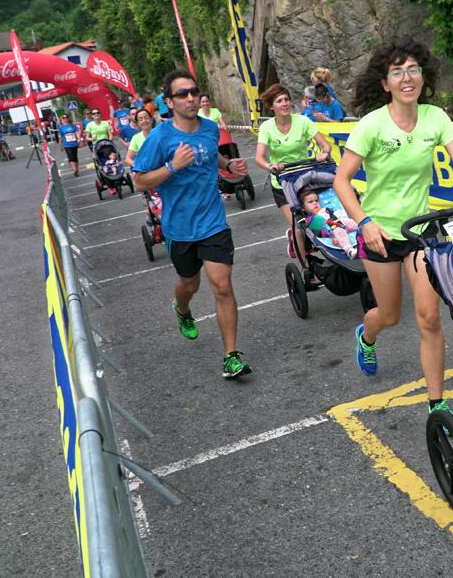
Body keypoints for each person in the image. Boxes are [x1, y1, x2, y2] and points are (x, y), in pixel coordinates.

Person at [333, 38, 453, 424]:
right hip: (381, 234)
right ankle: (366, 336)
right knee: (388, 316)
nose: (407, 78)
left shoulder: (435, 117)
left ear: (423, 75)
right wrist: (365, 223)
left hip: (420, 231)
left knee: (429, 317)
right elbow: (341, 180)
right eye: (398, 72)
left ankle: (436, 404)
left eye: (413, 69)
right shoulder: (372, 125)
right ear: (385, 83)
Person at [132, 69, 253, 380]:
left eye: (193, 92)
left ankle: (231, 356)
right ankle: (182, 309)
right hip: (179, 227)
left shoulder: (211, 129)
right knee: (189, 284)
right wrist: (173, 166)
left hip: (213, 222)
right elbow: (139, 181)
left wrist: (230, 165)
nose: (190, 98)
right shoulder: (160, 138)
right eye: (182, 94)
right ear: (169, 102)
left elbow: (210, 156)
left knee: (222, 285)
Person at [254, 83, 333, 288]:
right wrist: (271, 165)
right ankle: (307, 268)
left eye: (287, 99)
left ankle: (329, 250)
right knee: (300, 227)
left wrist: (324, 152)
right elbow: (259, 158)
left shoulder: (302, 121)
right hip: (282, 182)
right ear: (271, 106)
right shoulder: (267, 128)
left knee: (321, 217)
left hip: (304, 179)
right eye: (279, 101)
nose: (285, 103)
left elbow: (325, 144)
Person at [299, 187, 358, 258]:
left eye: (316, 201)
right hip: (331, 231)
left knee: (351, 222)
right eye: (310, 202)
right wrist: (333, 236)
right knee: (339, 231)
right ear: (303, 208)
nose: (315, 203)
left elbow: (335, 217)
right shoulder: (310, 218)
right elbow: (320, 231)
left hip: (339, 224)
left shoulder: (325, 210)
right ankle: (349, 251)